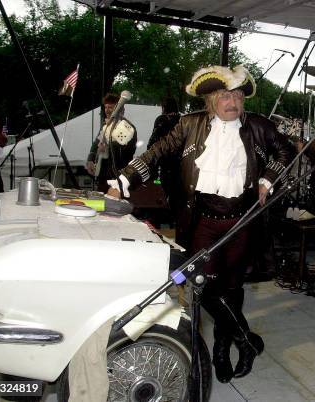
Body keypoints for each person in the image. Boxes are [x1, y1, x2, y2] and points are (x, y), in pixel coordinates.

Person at [107, 65, 294, 383]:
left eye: (236, 94)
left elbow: (285, 151)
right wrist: (124, 179)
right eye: (223, 94)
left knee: (232, 289)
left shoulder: (258, 126)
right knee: (201, 286)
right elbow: (155, 153)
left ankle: (222, 349)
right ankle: (245, 340)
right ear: (210, 100)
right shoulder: (188, 124)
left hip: (242, 222)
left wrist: (268, 178)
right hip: (202, 222)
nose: (231, 100)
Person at [85, 93, 137, 193]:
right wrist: (90, 159)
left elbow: (129, 151)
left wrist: (108, 148)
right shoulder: (105, 126)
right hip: (103, 176)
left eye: (111, 107)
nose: (107, 110)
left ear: (121, 110)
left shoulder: (129, 128)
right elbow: (96, 143)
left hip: (118, 176)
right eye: (106, 107)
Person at [147, 96, 181, 220]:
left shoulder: (161, 120)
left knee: (163, 194)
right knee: (178, 197)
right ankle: (175, 222)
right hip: (182, 166)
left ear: (164, 107)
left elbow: (152, 143)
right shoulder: (183, 120)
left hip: (166, 164)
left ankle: (163, 220)